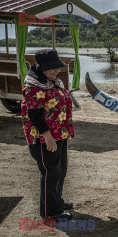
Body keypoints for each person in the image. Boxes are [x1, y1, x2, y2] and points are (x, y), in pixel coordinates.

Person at [21, 49, 75, 220]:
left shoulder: (50, 80)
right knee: (50, 172)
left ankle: (56, 201)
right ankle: (50, 212)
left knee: (60, 170)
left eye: (57, 68)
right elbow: (34, 115)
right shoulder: (32, 87)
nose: (56, 71)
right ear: (41, 67)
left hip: (60, 133)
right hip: (45, 137)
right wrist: (47, 136)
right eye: (52, 68)